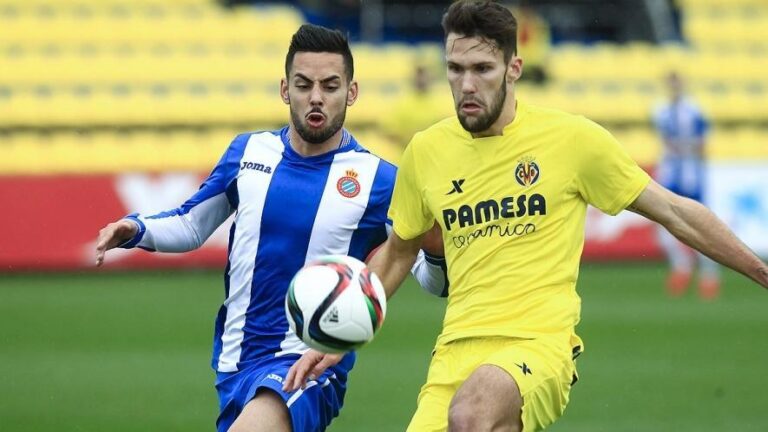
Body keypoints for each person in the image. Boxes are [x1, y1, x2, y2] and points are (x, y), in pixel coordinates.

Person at [284, 2, 768, 431]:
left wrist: (760, 270)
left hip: (539, 344)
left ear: (513, 67)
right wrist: (342, 331)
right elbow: (398, 252)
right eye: (455, 68)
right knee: (466, 414)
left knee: (472, 415)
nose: (466, 84)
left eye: (482, 68)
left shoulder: (573, 140)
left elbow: (676, 212)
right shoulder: (426, 152)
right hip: (454, 352)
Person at [94, 24, 446, 432]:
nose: (316, 96)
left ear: (351, 93)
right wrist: (135, 228)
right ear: (285, 89)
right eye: (304, 84)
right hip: (235, 363)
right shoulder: (248, 152)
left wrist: (436, 249)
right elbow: (192, 224)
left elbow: (430, 279)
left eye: (330, 86)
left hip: (309, 365)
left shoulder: (379, 180)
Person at [653, 71, 720, 299]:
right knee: (662, 223)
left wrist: (698, 165)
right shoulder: (660, 111)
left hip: (691, 174)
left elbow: (701, 143)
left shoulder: (694, 110)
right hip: (671, 174)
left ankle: (709, 275)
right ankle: (681, 267)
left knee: (701, 225)